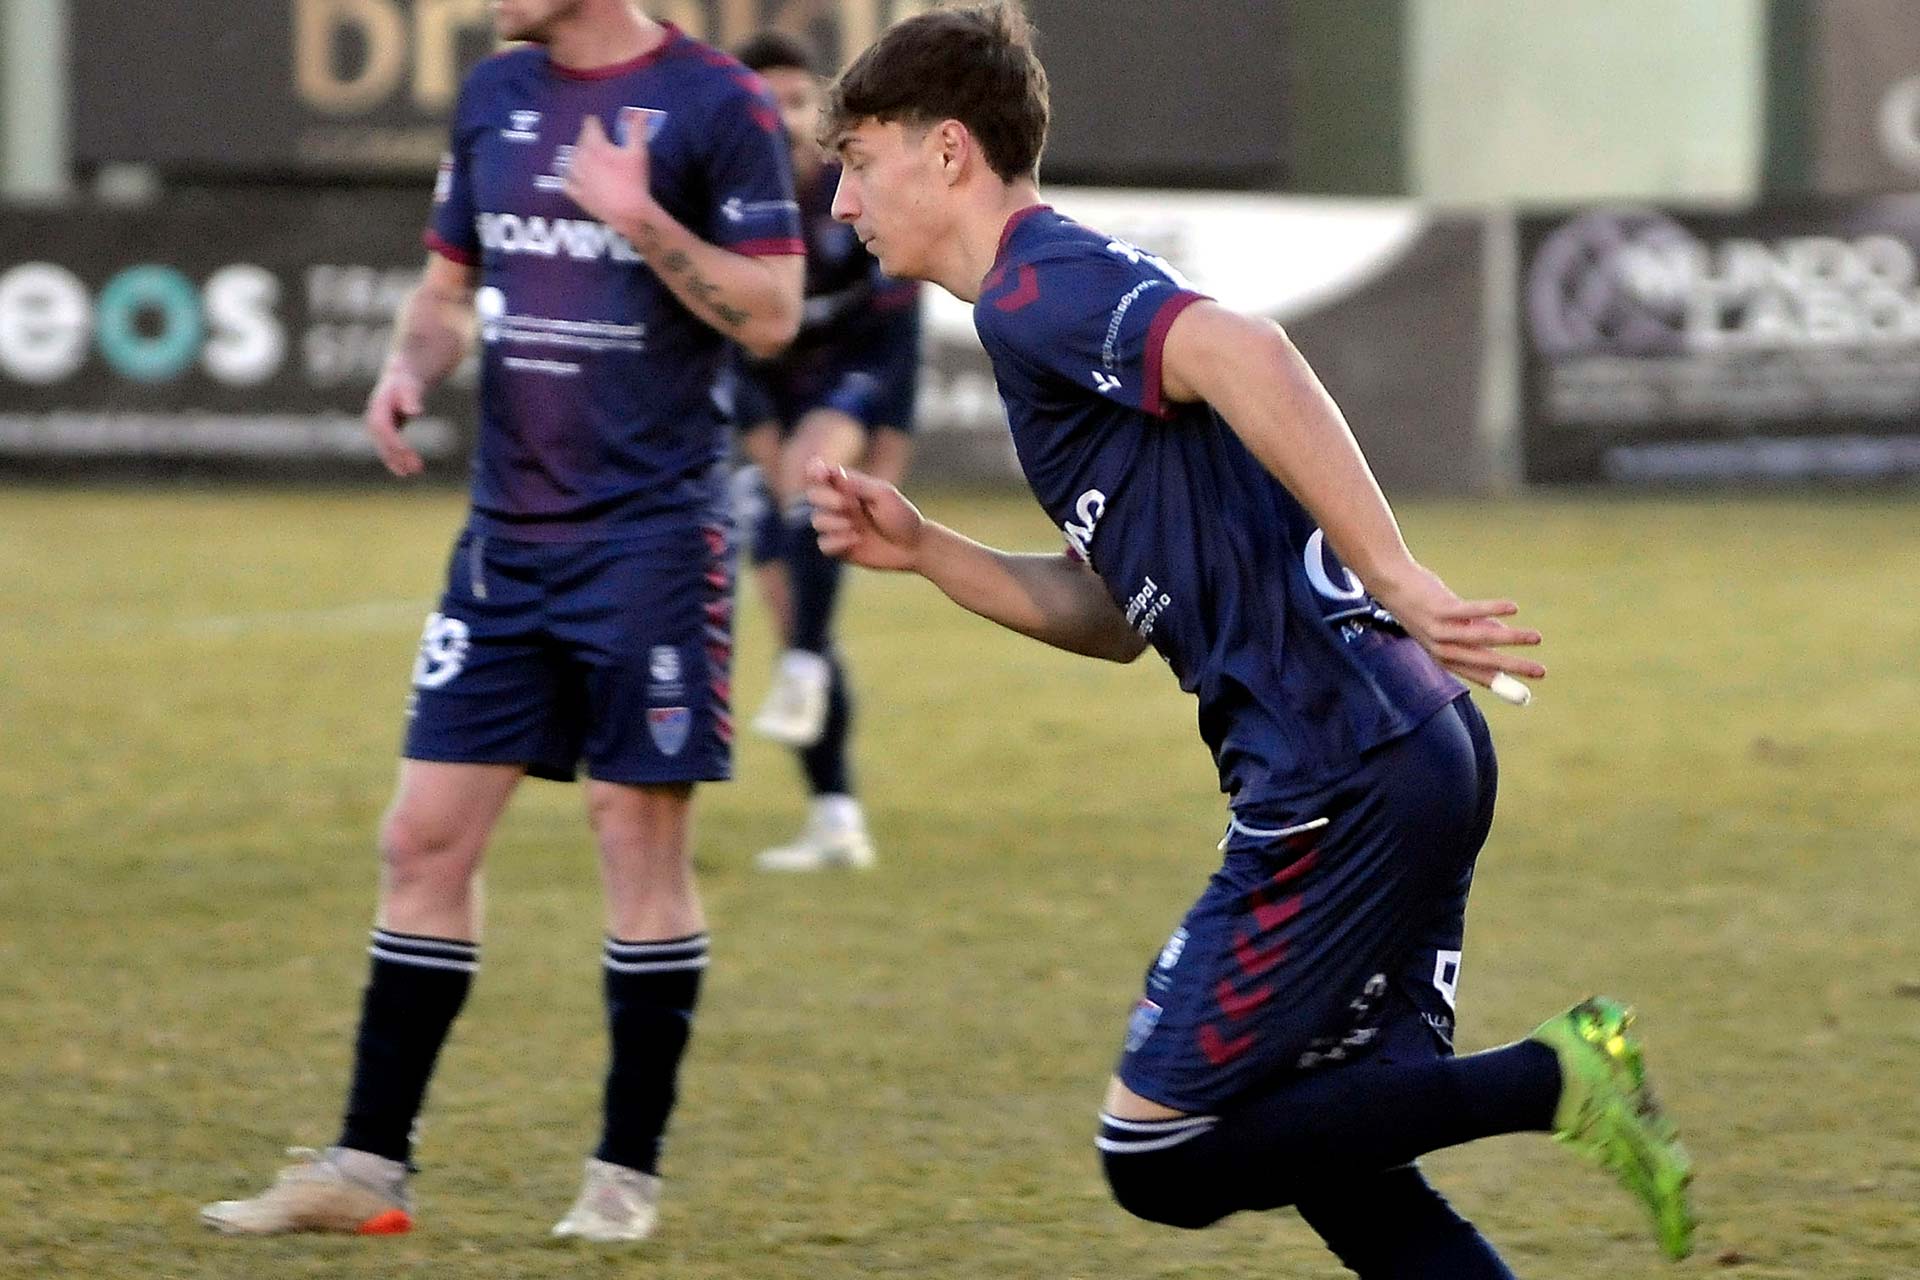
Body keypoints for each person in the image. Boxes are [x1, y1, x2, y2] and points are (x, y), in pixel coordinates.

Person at [804, 6, 1695, 1273]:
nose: (840, 199)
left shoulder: (1034, 286)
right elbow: (1113, 618)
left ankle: (1558, 1074)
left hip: (1342, 765)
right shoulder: (1042, 298)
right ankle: (1554, 1079)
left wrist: (1395, 567)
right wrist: (927, 549)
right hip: (1397, 745)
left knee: (1158, 1153)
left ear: (947, 151)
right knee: (1348, 1172)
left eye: (857, 154)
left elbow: (1243, 346)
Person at [199, 0, 804, 1244]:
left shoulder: (718, 104)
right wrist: (409, 366)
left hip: (650, 539)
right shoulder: (492, 96)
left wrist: (637, 214)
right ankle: (366, 1168)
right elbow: (446, 289)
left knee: (632, 833)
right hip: (505, 540)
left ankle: (621, 1175)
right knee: (422, 838)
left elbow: (774, 313)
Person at [722, 31, 924, 872]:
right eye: (762, 101)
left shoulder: (857, 200)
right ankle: (837, 813)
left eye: (797, 100)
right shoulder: (729, 220)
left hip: (852, 395)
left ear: (821, 115)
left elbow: (901, 337)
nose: (781, 116)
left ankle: (806, 666)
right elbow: (740, 363)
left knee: (818, 480)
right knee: (791, 595)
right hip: (775, 414)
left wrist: (892, 452)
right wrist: (770, 470)